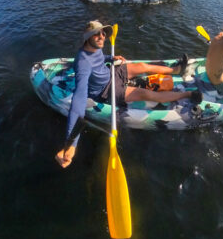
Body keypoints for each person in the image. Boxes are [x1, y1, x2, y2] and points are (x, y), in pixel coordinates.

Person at [55, 21, 200, 167]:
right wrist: (71, 143)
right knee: (146, 94)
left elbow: (99, 58)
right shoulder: (83, 63)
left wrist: (110, 58)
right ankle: (187, 94)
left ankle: (176, 70)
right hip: (106, 90)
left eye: (103, 33)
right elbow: (79, 99)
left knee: (142, 66)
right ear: (88, 37)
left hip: (111, 73)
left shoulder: (95, 47)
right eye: (96, 34)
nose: (102, 37)